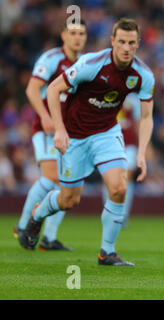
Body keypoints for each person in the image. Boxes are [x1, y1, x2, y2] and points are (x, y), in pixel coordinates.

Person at [19, 18, 155, 267]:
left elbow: (146, 117)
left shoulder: (143, 74)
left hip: (106, 133)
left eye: (131, 43)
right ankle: (37, 215)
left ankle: (107, 252)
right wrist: (59, 130)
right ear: (112, 41)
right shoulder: (91, 64)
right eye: (122, 42)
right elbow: (52, 89)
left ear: (138, 44)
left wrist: (142, 153)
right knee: (69, 200)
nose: (126, 48)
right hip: (75, 136)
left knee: (119, 187)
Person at [13, 20, 87, 251]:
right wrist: (45, 116)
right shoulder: (52, 59)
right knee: (51, 176)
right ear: (63, 35)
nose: (78, 37)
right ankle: (23, 226)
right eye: (73, 33)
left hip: (70, 131)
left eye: (82, 33)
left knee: (69, 181)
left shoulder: (85, 63)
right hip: (46, 128)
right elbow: (32, 89)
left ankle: (49, 238)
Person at [102, 93, 140, 228]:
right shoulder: (107, 93)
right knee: (109, 178)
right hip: (109, 142)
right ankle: (109, 212)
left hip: (128, 143)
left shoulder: (134, 99)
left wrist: (142, 147)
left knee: (127, 176)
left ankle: (122, 215)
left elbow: (137, 123)